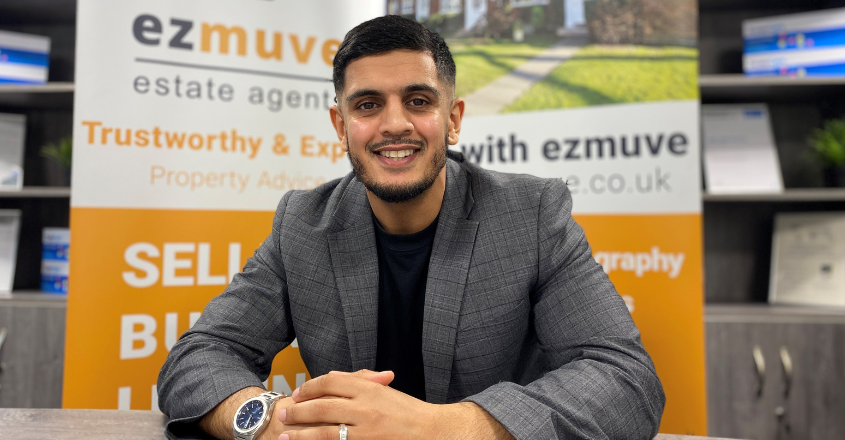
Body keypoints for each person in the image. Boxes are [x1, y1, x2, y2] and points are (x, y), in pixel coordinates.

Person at [158, 15, 665, 440]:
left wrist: (442, 426)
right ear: (341, 127)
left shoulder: (531, 214)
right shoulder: (302, 225)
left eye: (418, 101)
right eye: (368, 104)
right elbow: (199, 356)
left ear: (453, 118)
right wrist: (275, 420)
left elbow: (627, 381)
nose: (394, 123)